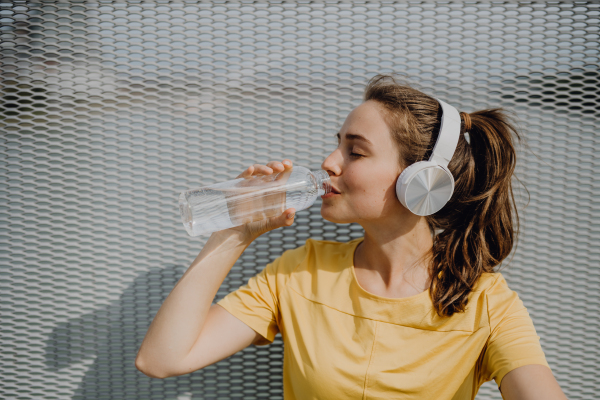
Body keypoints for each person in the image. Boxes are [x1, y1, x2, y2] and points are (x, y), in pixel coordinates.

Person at [135, 74, 568, 399]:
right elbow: (161, 359)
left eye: (354, 151)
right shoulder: (300, 271)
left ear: (420, 181)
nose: (329, 161)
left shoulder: (486, 302)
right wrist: (233, 233)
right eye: (337, 144)